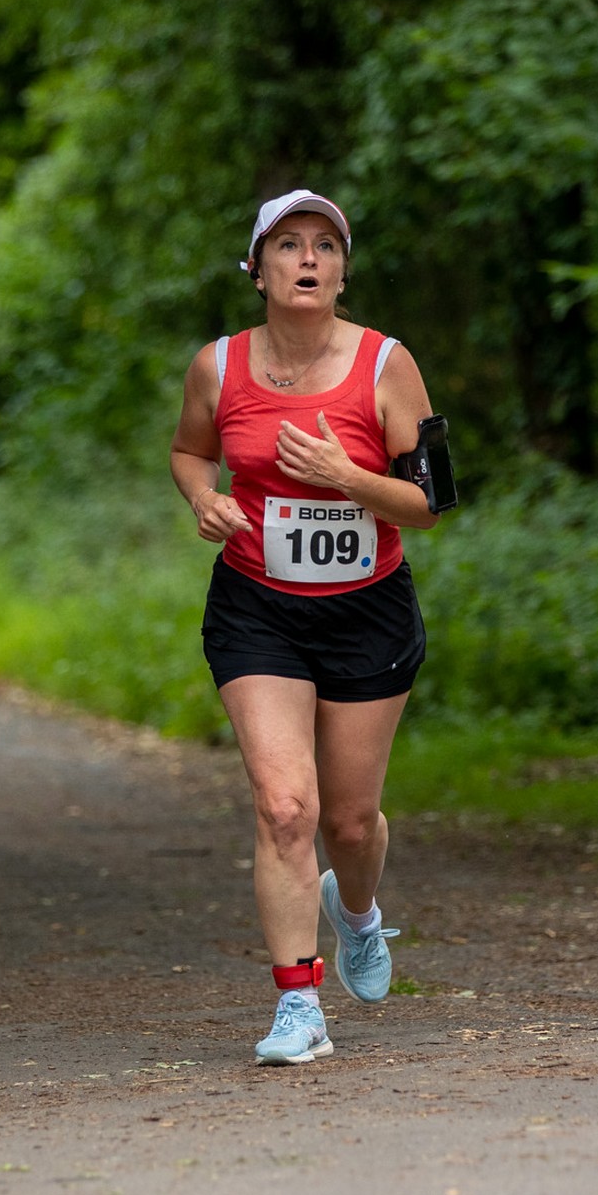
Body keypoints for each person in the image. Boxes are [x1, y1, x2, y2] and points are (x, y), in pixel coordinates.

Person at [168, 191, 440, 1066]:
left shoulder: (386, 364)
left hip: (368, 610)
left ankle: (356, 912)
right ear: (258, 270)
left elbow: (432, 503)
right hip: (257, 607)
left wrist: (344, 475)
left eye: (326, 245)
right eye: (288, 244)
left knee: (350, 825)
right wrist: (204, 498)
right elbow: (189, 451)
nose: (309, 258)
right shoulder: (217, 366)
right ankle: (298, 1005)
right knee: (286, 807)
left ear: (343, 272)